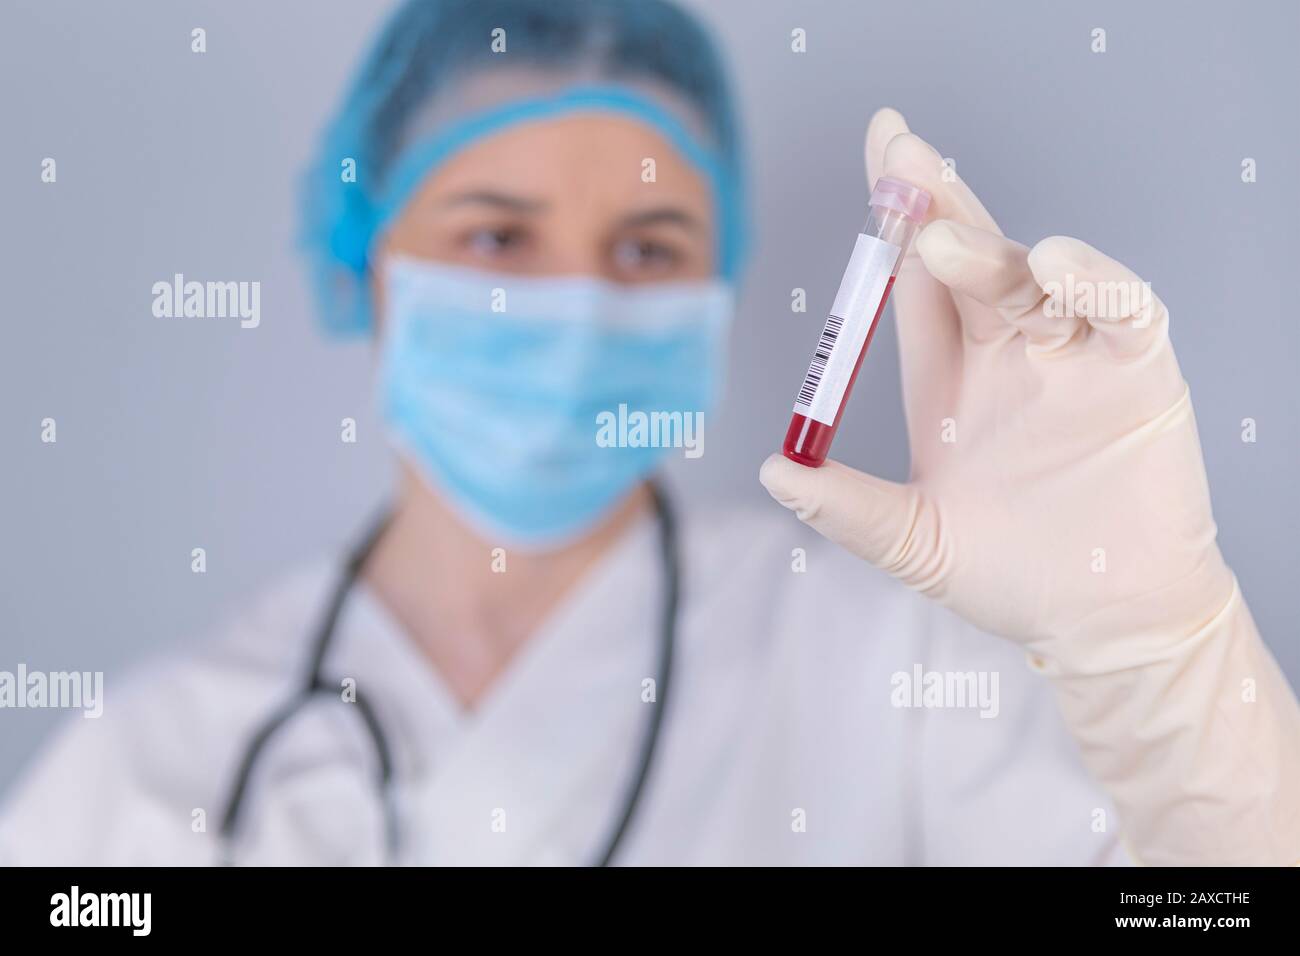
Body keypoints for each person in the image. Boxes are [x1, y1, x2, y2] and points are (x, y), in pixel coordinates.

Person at [2, 0, 1296, 866]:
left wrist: (1156, 651)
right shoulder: (154, 758)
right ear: (366, 266)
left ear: (714, 289)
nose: (574, 307)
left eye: (647, 246)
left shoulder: (886, 670)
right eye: (495, 238)